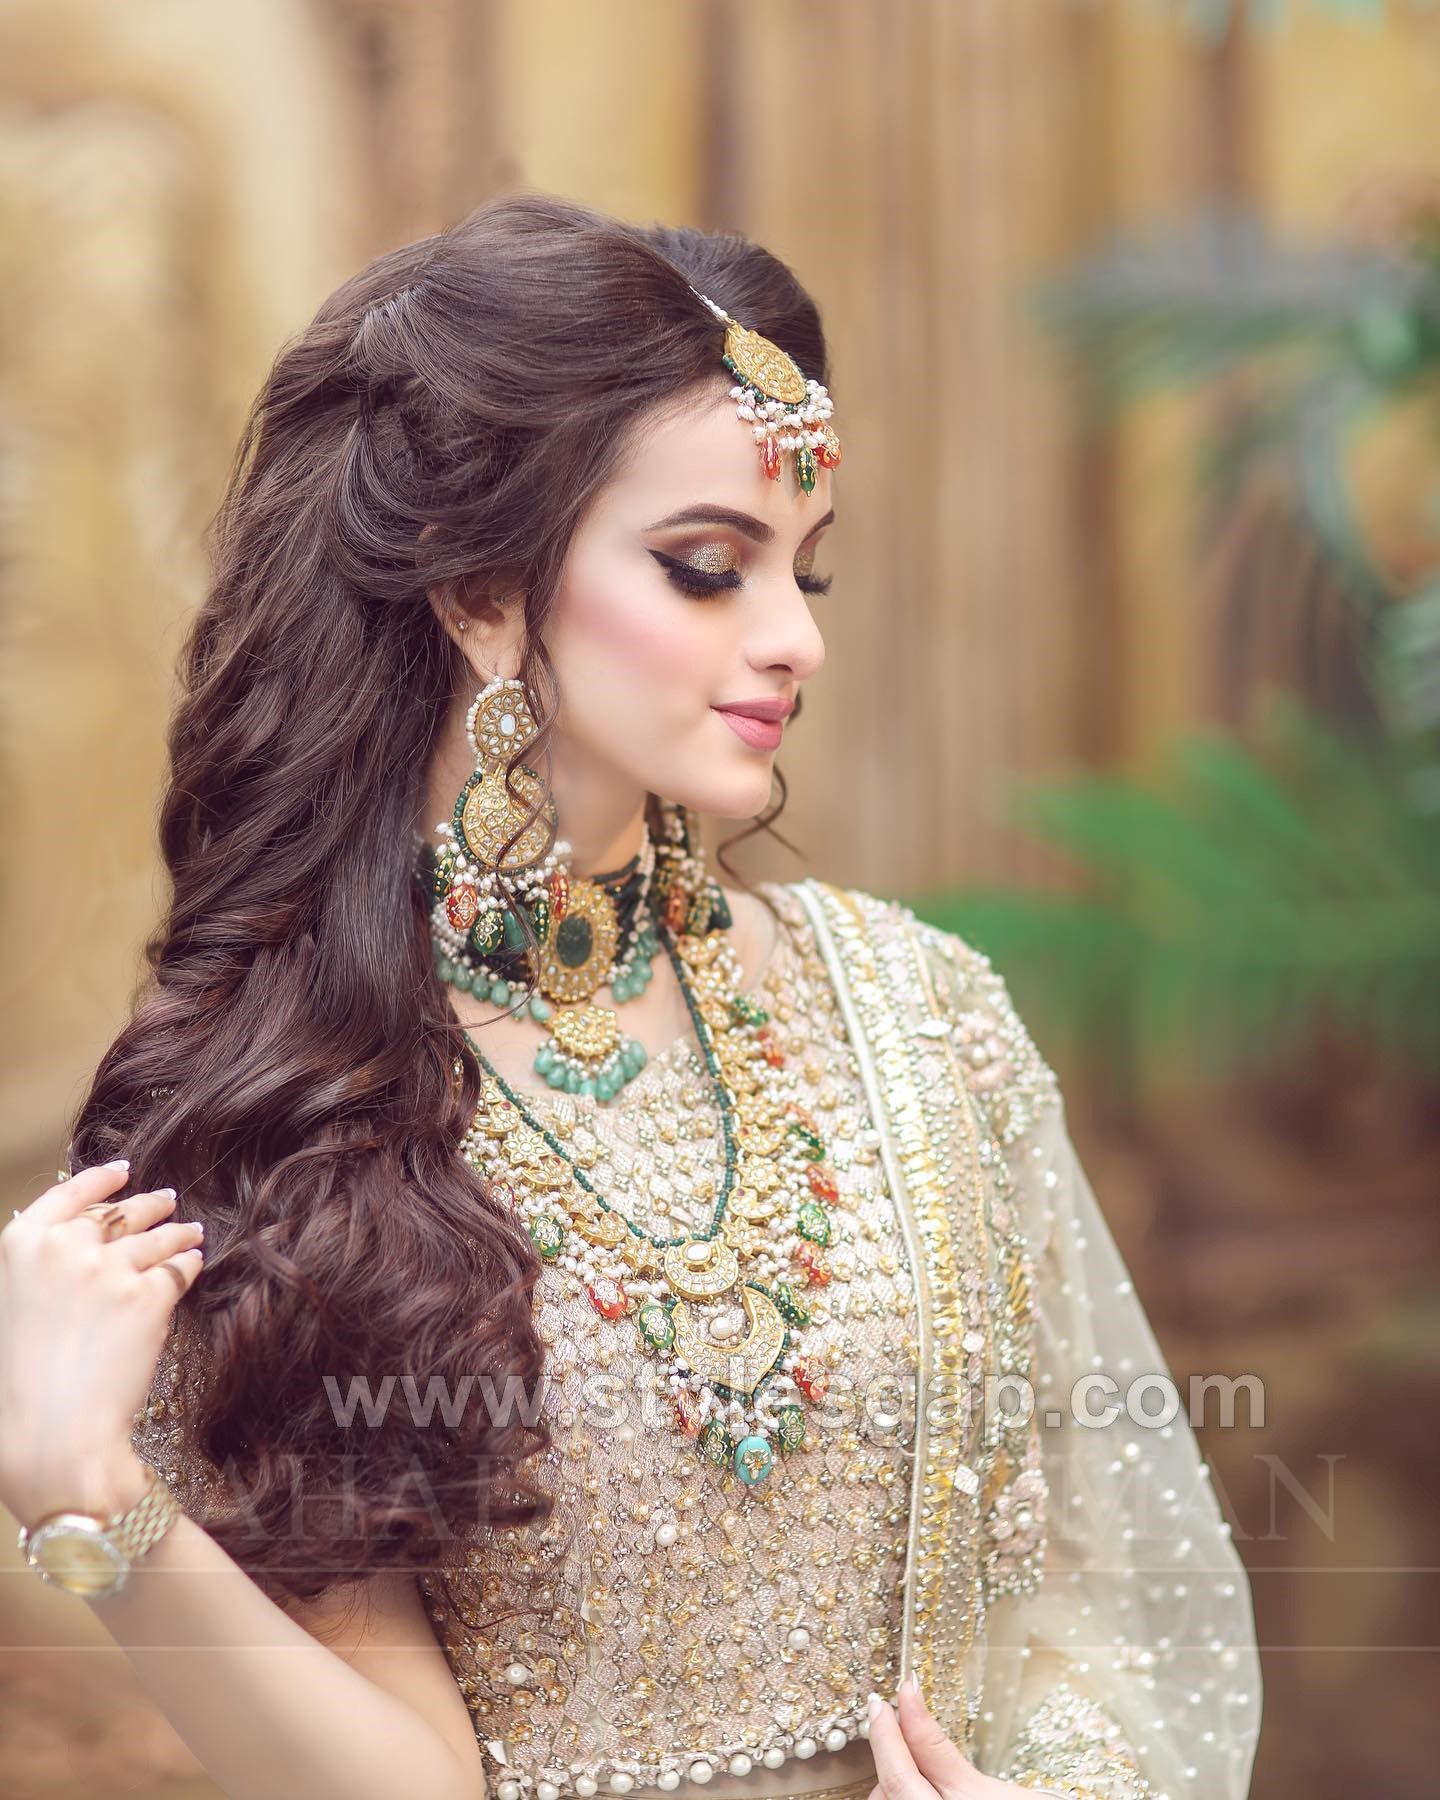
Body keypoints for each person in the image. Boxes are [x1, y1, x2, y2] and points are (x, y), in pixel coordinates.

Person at [0, 192, 1260, 1800]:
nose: (795, 638)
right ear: (476, 593)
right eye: (706, 569)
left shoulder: (921, 1017)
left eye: (808, 573)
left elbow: (1095, 1597)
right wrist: (78, 1494)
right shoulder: (285, 1103)